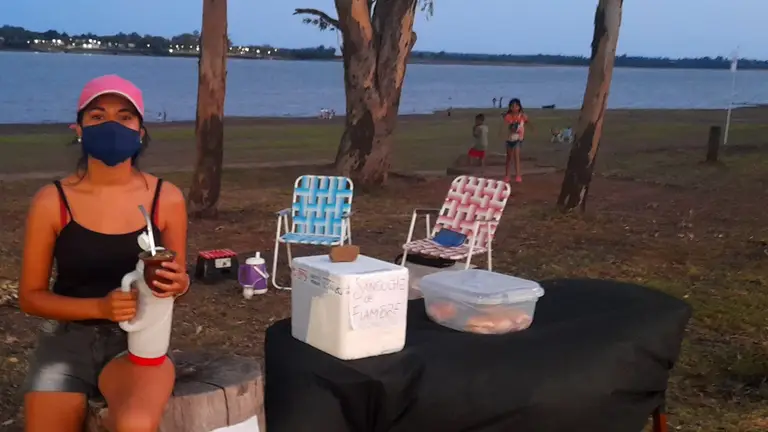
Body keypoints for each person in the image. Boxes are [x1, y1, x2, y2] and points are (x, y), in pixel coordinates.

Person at [19, 74, 190, 432]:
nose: (112, 125)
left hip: (140, 342)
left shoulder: (166, 199)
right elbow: (31, 297)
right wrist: (99, 308)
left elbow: (177, 281)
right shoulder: (53, 202)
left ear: (140, 131)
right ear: (79, 129)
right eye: (98, 116)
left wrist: (180, 283)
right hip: (65, 343)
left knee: (135, 424)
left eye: (125, 116)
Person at [501, 98, 533, 183]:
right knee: (509, 158)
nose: (514, 108)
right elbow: (505, 127)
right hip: (509, 139)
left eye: (516, 106)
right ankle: (507, 175)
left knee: (516, 157)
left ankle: (518, 175)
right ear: (510, 107)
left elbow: (528, 122)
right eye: (512, 106)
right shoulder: (508, 116)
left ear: (519, 107)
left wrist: (531, 128)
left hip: (518, 139)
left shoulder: (522, 116)